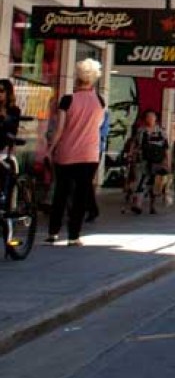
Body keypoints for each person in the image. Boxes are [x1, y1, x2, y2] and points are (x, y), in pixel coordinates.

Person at [46, 59, 106, 246]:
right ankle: (74, 236)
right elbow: (98, 125)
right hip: (89, 154)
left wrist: (50, 149)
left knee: (61, 193)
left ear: (77, 77)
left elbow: (59, 129)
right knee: (81, 195)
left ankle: (53, 233)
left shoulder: (67, 99)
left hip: (66, 153)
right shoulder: (100, 101)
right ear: (94, 79)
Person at [127, 110, 169, 214]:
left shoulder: (161, 132)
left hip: (156, 161)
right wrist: (131, 154)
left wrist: (167, 161)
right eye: (148, 117)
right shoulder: (141, 131)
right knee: (140, 181)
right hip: (142, 159)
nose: (150, 119)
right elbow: (134, 143)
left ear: (156, 118)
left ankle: (152, 205)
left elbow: (166, 148)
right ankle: (138, 205)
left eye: (152, 116)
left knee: (154, 184)